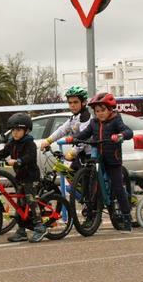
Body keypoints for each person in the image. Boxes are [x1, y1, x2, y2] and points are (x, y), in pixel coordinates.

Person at [66, 93, 134, 232]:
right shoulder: (93, 122)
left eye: (103, 110)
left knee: (118, 187)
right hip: (97, 156)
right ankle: (92, 213)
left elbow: (128, 131)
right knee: (92, 185)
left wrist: (121, 136)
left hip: (112, 159)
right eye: (97, 111)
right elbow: (84, 134)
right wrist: (74, 138)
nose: (100, 114)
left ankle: (127, 217)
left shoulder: (116, 120)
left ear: (110, 109)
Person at [0, 113, 47, 243]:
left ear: (26, 131)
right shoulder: (12, 143)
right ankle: (21, 230)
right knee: (20, 204)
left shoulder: (29, 143)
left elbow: (30, 157)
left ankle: (40, 227)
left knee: (31, 200)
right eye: (13, 130)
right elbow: (2, 153)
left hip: (31, 177)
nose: (15, 133)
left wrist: (18, 161)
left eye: (18, 130)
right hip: (20, 177)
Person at [40, 86, 92, 171]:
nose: (72, 105)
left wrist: (73, 152)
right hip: (81, 153)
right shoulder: (74, 117)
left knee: (84, 181)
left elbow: (85, 137)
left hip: (89, 153)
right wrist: (49, 140)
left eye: (75, 102)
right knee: (69, 174)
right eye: (70, 102)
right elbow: (62, 130)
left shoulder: (85, 116)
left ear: (83, 102)